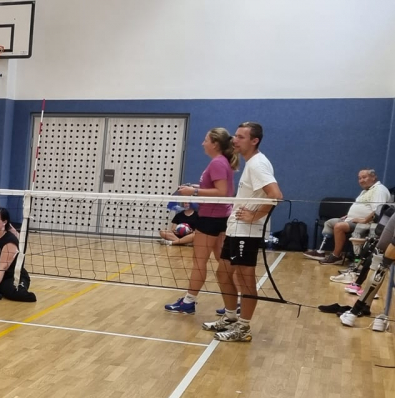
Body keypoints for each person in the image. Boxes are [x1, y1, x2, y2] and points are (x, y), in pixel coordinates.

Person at [203, 122, 284, 342]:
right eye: (235, 136)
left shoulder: (258, 164)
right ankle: (230, 317)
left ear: (254, 141)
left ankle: (243, 327)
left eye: (240, 137)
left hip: (247, 232)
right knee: (223, 273)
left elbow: (276, 195)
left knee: (245, 279)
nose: (234, 140)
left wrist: (254, 215)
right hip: (236, 228)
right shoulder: (251, 163)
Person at [166, 127, 239, 314]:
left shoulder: (217, 163)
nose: (202, 143)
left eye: (206, 140)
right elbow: (217, 188)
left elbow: (222, 192)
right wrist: (194, 187)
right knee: (222, 261)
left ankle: (188, 302)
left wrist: (194, 191)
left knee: (199, 261)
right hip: (220, 217)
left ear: (215, 144)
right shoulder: (222, 162)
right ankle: (236, 302)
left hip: (211, 218)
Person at [304, 169, 391, 264]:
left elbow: (379, 210)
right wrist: (348, 215)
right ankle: (320, 251)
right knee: (329, 223)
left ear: (373, 177)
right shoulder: (365, 191)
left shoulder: (379, 190)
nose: (361, 180)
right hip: (352, 219)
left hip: (367, 223)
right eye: (359, 178)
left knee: (339, 226)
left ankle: (336, 256)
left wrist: (365, 220)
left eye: (364, 177)